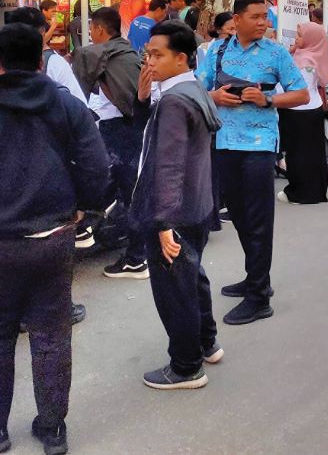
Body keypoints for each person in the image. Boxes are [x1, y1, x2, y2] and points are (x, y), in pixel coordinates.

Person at [0, 24, 110, 455]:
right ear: (40, 60)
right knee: (52, 334)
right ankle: (52, 430)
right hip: (55, 236)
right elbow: (97, 166)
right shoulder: (66, 106)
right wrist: (83, 206)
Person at [196, 0, 308, 325]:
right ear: (238, 19)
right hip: (225, 142)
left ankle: (259, 297)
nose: (264, 22)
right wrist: (214, 96)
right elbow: (196, 89)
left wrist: (267, 98)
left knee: (259, 219)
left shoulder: (275, 53)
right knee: (240, 216)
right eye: (257, 17)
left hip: (260, 144)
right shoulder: (216, 51)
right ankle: (255, 276)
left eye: (266, 17)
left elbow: (302, 93)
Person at [132, 21, 223, 390]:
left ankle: (186, 367)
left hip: (175, 210)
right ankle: (206, 342)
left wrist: (164, 222)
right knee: (193, 277)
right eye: (147, 54)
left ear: (181, 58)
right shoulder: (191, 88)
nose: (149, 62)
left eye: (157, 55)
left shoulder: (173, 100)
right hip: (196, 203)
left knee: (175, 290)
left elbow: (168, 164)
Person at [70, 6, 149, 280]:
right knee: (121, 190)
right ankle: (93, 229)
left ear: (100, 30)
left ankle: (138, 258)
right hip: (135, 128)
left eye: (91, 29)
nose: (90, 34)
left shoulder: (97, 54)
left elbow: (76, 89)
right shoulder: (128, 54)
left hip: (119, 133)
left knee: (123, 191)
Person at [278, 22, 328, 204]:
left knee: (298, 154)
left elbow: (297, 88)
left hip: (298, 111)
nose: (296, 38)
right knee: (313, 153)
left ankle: (300, 192)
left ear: (310, 39)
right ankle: (315, 190)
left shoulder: (305, 61)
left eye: (300, 35)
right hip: (312, 110)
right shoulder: (312, 55)